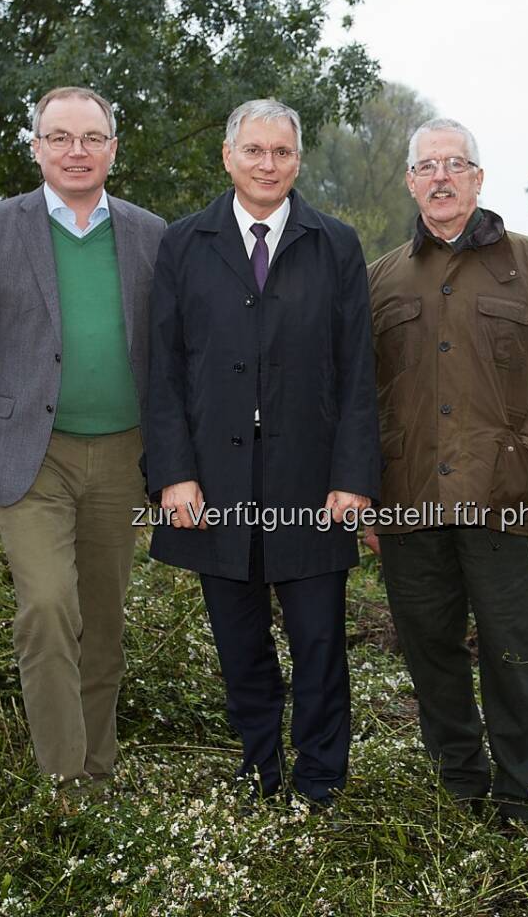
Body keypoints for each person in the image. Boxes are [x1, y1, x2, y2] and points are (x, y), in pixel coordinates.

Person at [144, 98, 380, 807]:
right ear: (228, 156)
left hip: (311, 481)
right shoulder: (184, 243)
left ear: (298, 161)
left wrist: (353, 478)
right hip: (215, 482)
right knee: (239, 641)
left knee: (318, 641)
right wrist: (174, 474)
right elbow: (163, 370)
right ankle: (260, 768)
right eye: (254, 150)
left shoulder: (335, 244)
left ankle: (320, 778)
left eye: (282, 152)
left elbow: (358, 372)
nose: (267, 164)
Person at [365, 117, 528, 824]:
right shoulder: (379, 279)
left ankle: (523, 800)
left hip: (504, 498)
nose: (441, 177)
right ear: (410, 182)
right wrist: (364, 491)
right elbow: (356, 395)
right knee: (430, 654)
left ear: (478, 177)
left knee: (513, 654)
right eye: (427, 166)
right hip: (407, 502)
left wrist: (526, 457)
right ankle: (459, 792)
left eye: (455, 164)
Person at [0, 86, 165, 786]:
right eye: (60, 137)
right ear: (36, 147)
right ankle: (64, 787)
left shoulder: (151, 233)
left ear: (113, 150)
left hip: (124, 455)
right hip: (29, 457)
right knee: (46, 608)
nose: (77, 151)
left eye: (92, 138)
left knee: (102, 621)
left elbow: (172, 354)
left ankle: (98, 774)